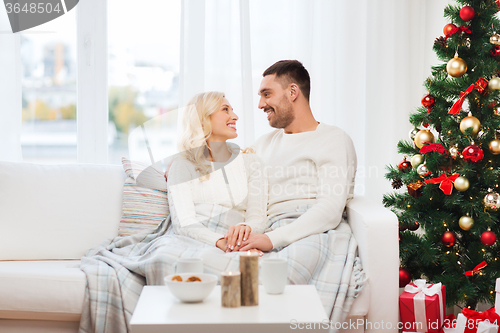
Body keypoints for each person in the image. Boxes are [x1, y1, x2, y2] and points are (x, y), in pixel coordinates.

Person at [236, 60, 357, 252]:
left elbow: (330, 210)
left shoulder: (333, 139)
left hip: (310, 232)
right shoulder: (262, 144)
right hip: (267, 229)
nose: (260, 105)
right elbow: (224, 172)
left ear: (292, 92)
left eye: (267, 94)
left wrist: (271, 239)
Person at [166, 91, 268, 253]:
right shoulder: (182, 165)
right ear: (203, 118)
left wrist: (243, 231)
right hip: (196, 241)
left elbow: (258, 217)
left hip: (241, 240)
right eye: (225, 110)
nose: (235, 116)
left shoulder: (252, 163)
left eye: (232, 110)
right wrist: (219, 242)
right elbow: (183, 222)